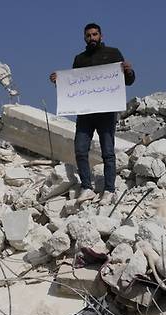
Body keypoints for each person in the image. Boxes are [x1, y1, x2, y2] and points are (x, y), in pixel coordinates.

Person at [50, 23, 135, 205]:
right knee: (80, 150)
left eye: (95, 34)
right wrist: (59, 82)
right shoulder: (79, 59)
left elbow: (128, 81)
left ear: (101, 36)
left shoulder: (113, 53)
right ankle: (87, 188)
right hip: (86, 114)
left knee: (108, 153)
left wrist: (128, 71)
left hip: (106, 113)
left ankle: (109, 190)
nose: (92, 38)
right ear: (84, 38)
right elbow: (73, 85)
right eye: (88, 35)